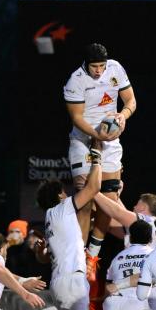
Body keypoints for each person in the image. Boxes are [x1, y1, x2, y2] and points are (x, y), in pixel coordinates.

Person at [34, 138, 104, 310]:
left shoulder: (52, 219)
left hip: (61, 281)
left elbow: (44, 257)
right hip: (73, 281)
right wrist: (97, 158)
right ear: (61, 196)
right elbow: (94, 188)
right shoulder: (63, 209)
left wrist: (41, 252)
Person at [64, 43, 136, 284]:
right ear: (86, 64)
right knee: (85, 198)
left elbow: (131, 102)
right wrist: (97, 135)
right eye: (94, 66)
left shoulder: (115, 69)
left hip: (111, 139)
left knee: (110, 200)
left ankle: (92, 256)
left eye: (101, 66)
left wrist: (121, 117)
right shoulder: (76, 80)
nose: (99, 71)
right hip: (84, 140)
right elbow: (76, 117)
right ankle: (77, 254)